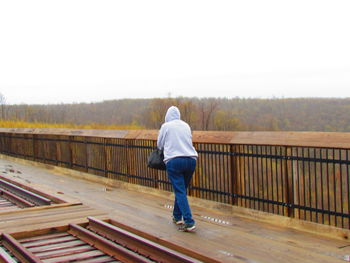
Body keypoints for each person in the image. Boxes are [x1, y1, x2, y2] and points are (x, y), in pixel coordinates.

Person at [157, 106, 198, 232]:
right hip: (191, 159)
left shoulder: (166, 126)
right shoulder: (186, 125)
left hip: (174, 161)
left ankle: (189, 221)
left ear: (167, 116)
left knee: (180, 191)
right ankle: (177, 216)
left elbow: (159, 144)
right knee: (181, 190)